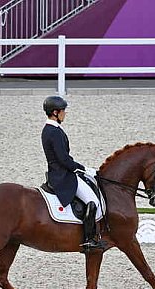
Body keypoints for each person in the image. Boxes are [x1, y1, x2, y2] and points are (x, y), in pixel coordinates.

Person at [41, 95, 106, 251]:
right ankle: (89, 240)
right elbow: (63, 159)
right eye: (63, 111)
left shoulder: (50, 129)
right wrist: (82, 168)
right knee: (93, 201)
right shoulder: (54, 132)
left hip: (59, 172)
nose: (65, 114)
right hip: (62, 176)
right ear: (55, 112)